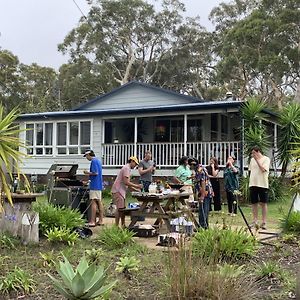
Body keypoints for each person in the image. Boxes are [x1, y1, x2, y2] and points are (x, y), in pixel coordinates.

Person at [112, 156, 142, 227]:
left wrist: (136, 189)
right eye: (135, 164)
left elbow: (127, 184)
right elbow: (126, 182)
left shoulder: (127, 168)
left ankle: (123, 225)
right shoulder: (126, 168)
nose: (135, 166)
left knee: (122, 209)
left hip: (121, 191)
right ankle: (116, 227)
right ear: (132, 161)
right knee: (120, 209)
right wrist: (137, 186)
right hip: (118, 190)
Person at [249, 146, 270, 229]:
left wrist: (257, 160)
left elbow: (263, 169)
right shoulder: (251, 160)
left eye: (254, 153)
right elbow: (251, 170)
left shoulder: (266, 159)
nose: (252, 155)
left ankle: (264, 222)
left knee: (263, 203)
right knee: (254, 203)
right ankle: (255, 221)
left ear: (258, 152)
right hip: (253, 184)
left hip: (263, 184)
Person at [83, 150, 103, 227]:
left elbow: (95, 173)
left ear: (89, 155)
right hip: (98, 184)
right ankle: (101, 220)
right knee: (99, 202)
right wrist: (89, 180)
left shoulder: (93, 161)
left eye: (86, 156)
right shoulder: (98, 161)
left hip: (94, 185)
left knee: (93, 202)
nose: (86, 158)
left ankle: (92, 221)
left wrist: (87, 173)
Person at [195, 163, 213, 229]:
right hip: (208, 191)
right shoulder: (204, 168)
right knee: (206, 209)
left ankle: (202, 226)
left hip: (205, 192)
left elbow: (203, 182)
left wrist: (202, 195)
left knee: (203, 210)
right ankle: (206, 225)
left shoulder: (199, 171)